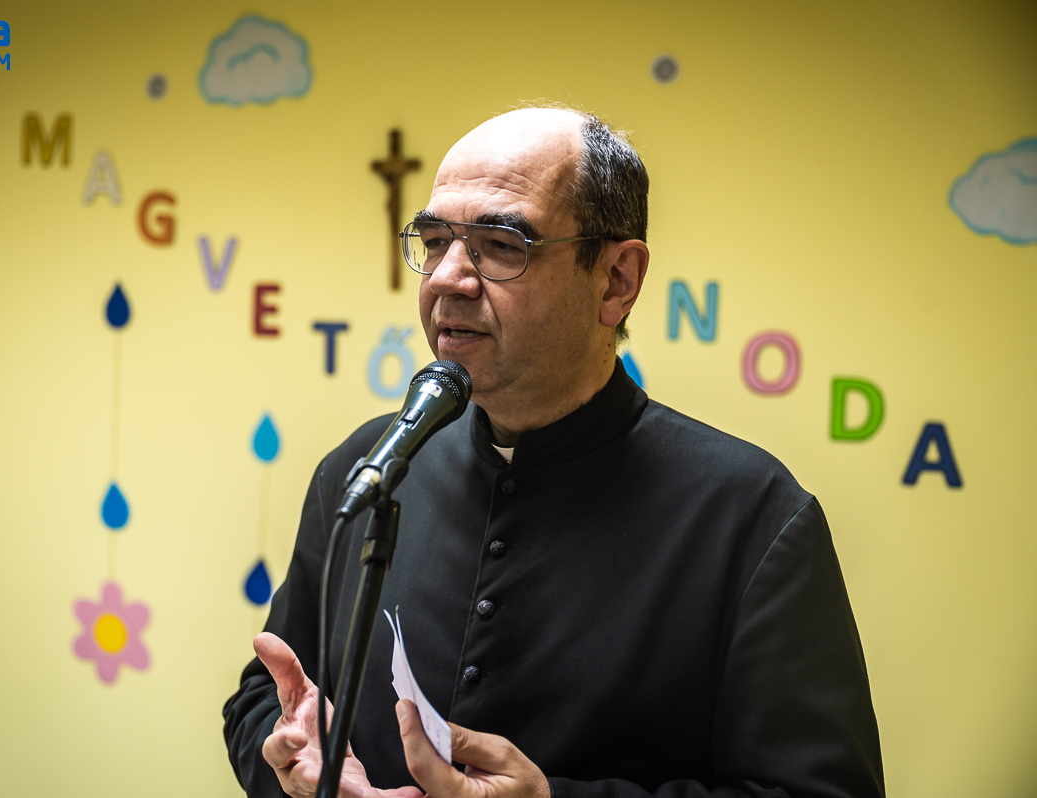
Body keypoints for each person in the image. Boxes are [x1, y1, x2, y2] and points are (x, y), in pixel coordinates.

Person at [223, 106, 884, 798]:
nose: (447, 277)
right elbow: (264, 699)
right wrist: (299, 760)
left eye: (501, 245)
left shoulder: (750, 515)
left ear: (616, 280)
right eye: (435, 240)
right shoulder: (369, 468)